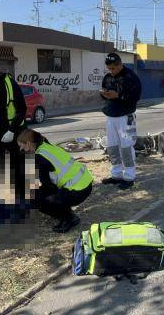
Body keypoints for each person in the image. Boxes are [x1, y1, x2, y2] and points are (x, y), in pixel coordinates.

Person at [17, 129, 93, 233]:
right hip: (85, 183)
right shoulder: (47, 146)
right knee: (44, 193)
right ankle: (67, 213)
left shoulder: (39, 158)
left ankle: (68, 219)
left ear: (29, 143)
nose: (21, 149)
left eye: (22, 146)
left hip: (77, 190)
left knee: (36, 198)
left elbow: (48, 187)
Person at [100, 53, 142, 190]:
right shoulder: (107, 77)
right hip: (111, 116)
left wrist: (118, 95)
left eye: (113, 68)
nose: (111, 71)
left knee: (126, 147)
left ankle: (129, 177)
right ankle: (116, 174)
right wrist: (104, 94)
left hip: (125, 117)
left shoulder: (130, 77)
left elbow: (136, 97)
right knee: (112, 147)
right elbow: (106, 95)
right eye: (109, 69)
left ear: (120, 64)